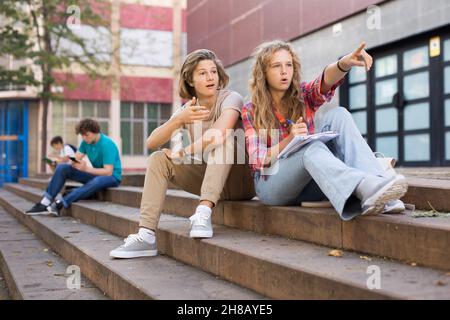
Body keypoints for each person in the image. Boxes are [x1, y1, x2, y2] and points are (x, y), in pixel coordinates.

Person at [110, 49, 255, 259]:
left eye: (213, 72)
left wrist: (183, 152)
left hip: (241, 180)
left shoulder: (231, 98)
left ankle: (203, 213)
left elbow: (218, 134)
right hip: (211, 180)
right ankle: (146, 235)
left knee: (222, 140)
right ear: (190, 79)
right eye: (202, 73)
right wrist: (178, 120)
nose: (210, 77)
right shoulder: (188, 109)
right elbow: (152, 142)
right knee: (158, 159)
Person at [241, 40, 407, 221]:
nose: (284, 71)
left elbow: (323, 83)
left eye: (288, 65)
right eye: (276, 66)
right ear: (263, 72)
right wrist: (290, 140)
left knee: (339, 115)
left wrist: (344, 64)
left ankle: (380, 189)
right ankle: (365, 187)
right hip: (272, 186)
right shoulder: (251, 109)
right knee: (310, 148)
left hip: (312, 180)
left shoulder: (302, 95)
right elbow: (258, 159)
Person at [26, 119, 122, 216]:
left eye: (87, 135)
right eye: (82, 135)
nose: (84, 138)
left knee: (97, 181)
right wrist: (74, 161)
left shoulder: (107, 144)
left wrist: (86, 169)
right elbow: (74, 159)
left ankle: (61, 203)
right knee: (63, 168)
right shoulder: (86, 143)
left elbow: (108, 172)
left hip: (112, 178)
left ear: (96, 131)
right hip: (96, 175)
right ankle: (44, 203)